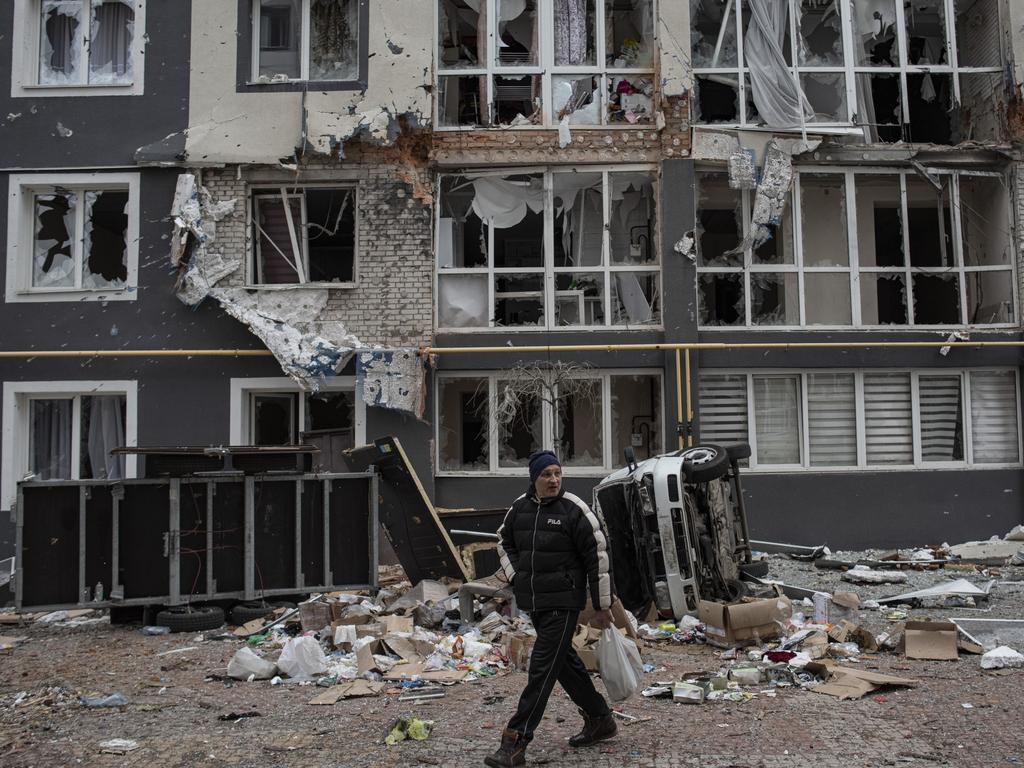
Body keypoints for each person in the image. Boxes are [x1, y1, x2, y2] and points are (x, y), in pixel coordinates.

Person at [484, 449, 617, 768]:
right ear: (534, 478)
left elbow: (597, 558)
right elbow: (504, 542)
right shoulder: (520, 508)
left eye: (557, 473)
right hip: (535, 602)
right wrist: (516, 574)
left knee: (541, 668)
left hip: (564, 603)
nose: (554, 479)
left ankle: (515, 742)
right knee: (564, 663)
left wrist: (601, 604)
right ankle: (600, 719)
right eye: (547, 474)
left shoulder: (575, 510)